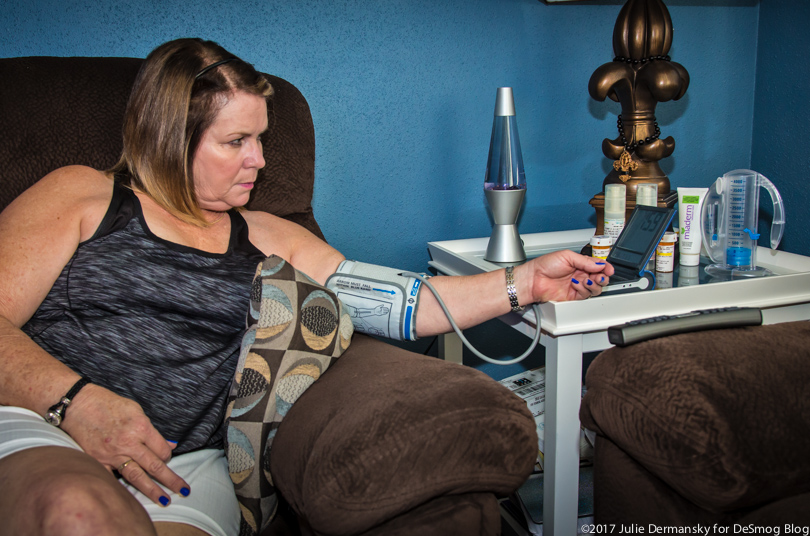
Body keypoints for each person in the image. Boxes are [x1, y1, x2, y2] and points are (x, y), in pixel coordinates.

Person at [0, 38, 614, 536]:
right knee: (78, 515)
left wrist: (527, 281)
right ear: (168, 137)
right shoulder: (83, 194)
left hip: (182, 466)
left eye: (261, 138)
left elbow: (406, 304)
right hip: (47, 428)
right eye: (236, 141)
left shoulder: (267, 233)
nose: (260, 160)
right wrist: (74, 402)